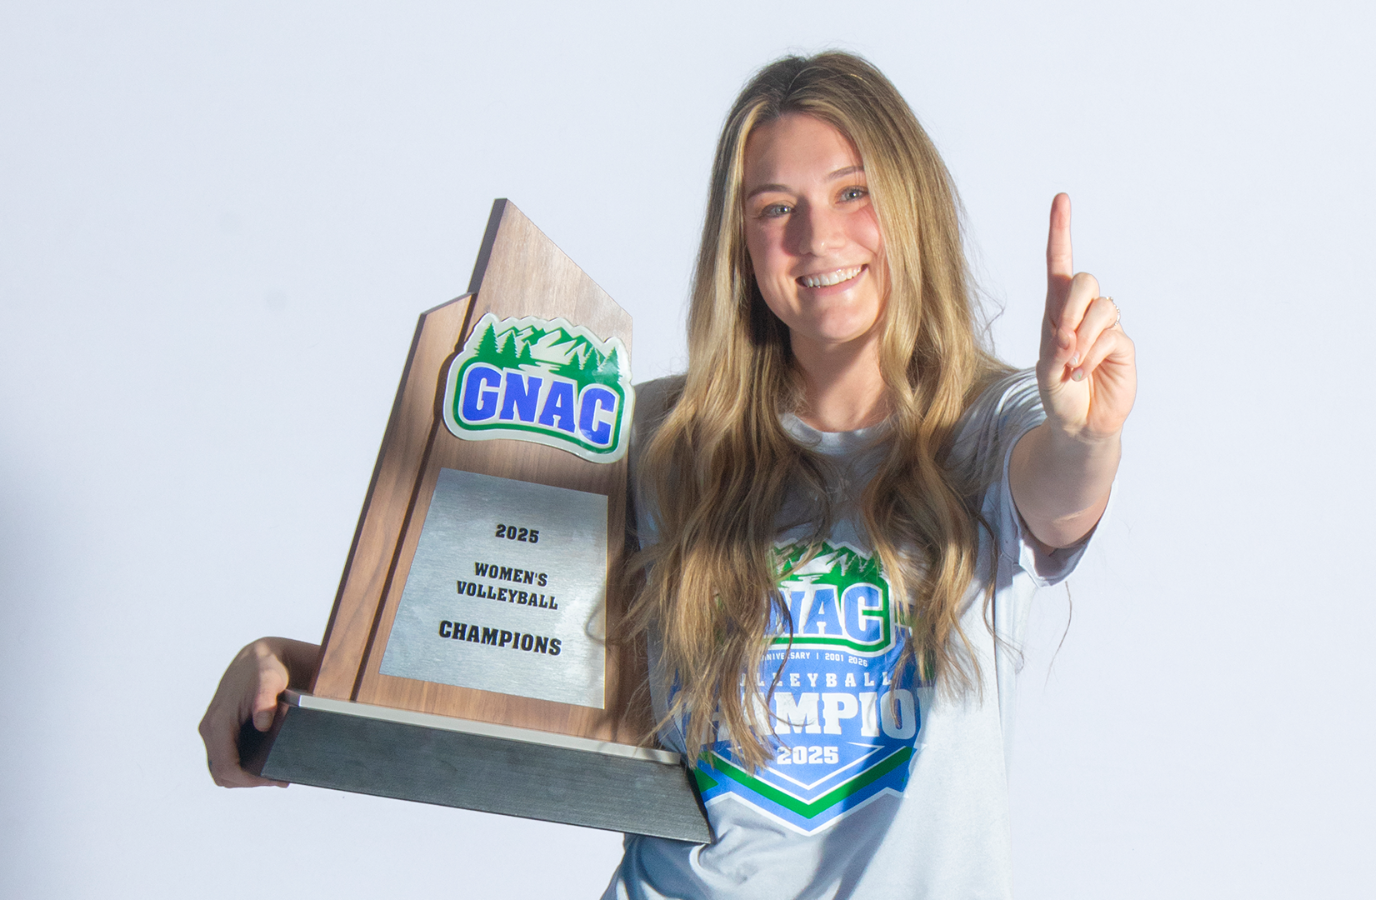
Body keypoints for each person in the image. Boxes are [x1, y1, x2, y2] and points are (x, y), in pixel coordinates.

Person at [199, 52, 1135, 899]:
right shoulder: (649, 436)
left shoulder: (994, 423)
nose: (818, 236)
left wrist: (1084, 434)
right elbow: (503, 657)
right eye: (776, 208)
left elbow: (1057, 500)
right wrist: (294, 666)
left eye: (854, 193)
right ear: (739, 244)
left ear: (911, 204)